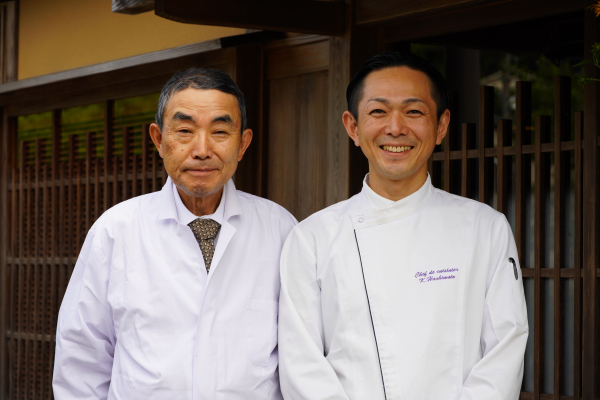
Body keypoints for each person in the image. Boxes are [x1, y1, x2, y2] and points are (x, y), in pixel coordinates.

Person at [278, 52, 528, 400]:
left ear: (441, 126)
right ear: (352, 127)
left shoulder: (484, 228)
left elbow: (505, 348)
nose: (395, 128)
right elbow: (301, 365)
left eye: (414, 112)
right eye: (378, 112)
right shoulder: (312, 238)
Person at [53, 67, 296, 400]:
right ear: (158, 139)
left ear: (242, 144)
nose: (202, 149)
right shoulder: (115, 231)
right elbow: (81, 361)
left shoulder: (281, 229)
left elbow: (300, 355)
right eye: (184, 130)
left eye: (220, 132)